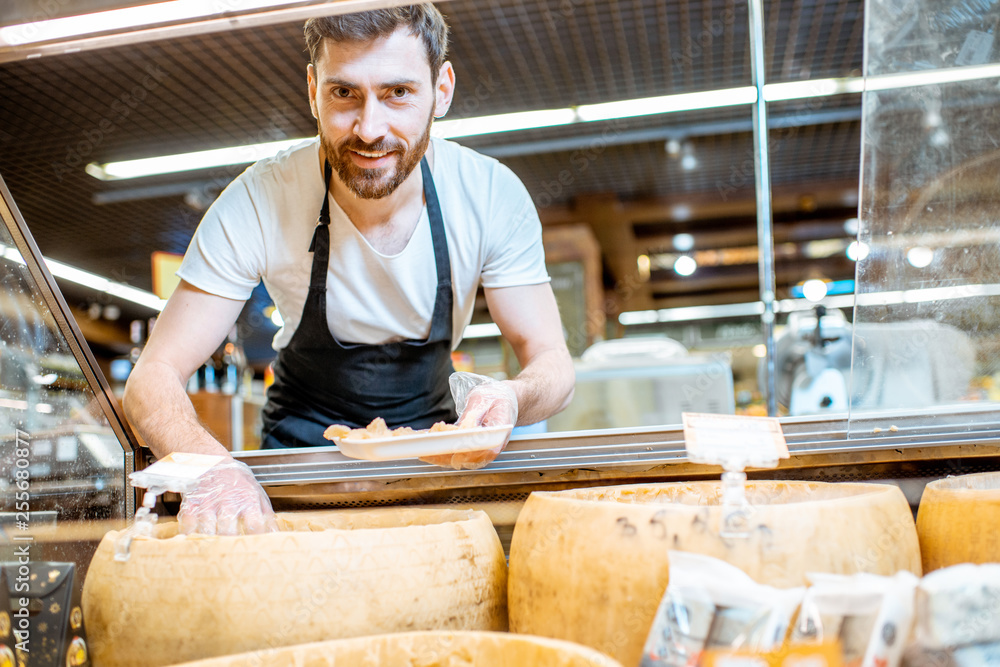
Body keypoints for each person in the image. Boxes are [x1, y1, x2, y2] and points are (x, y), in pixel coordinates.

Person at [123, 5, 575, 535]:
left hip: (432, 454)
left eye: (398, 93)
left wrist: (512, 398)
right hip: (300, 463)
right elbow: (150, 380)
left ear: (442, 89)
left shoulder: (489, 194)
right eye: (344, 94)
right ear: (313, 89)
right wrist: (211, 468)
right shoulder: (258, 199)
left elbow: (552, 363)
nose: (369, 129)